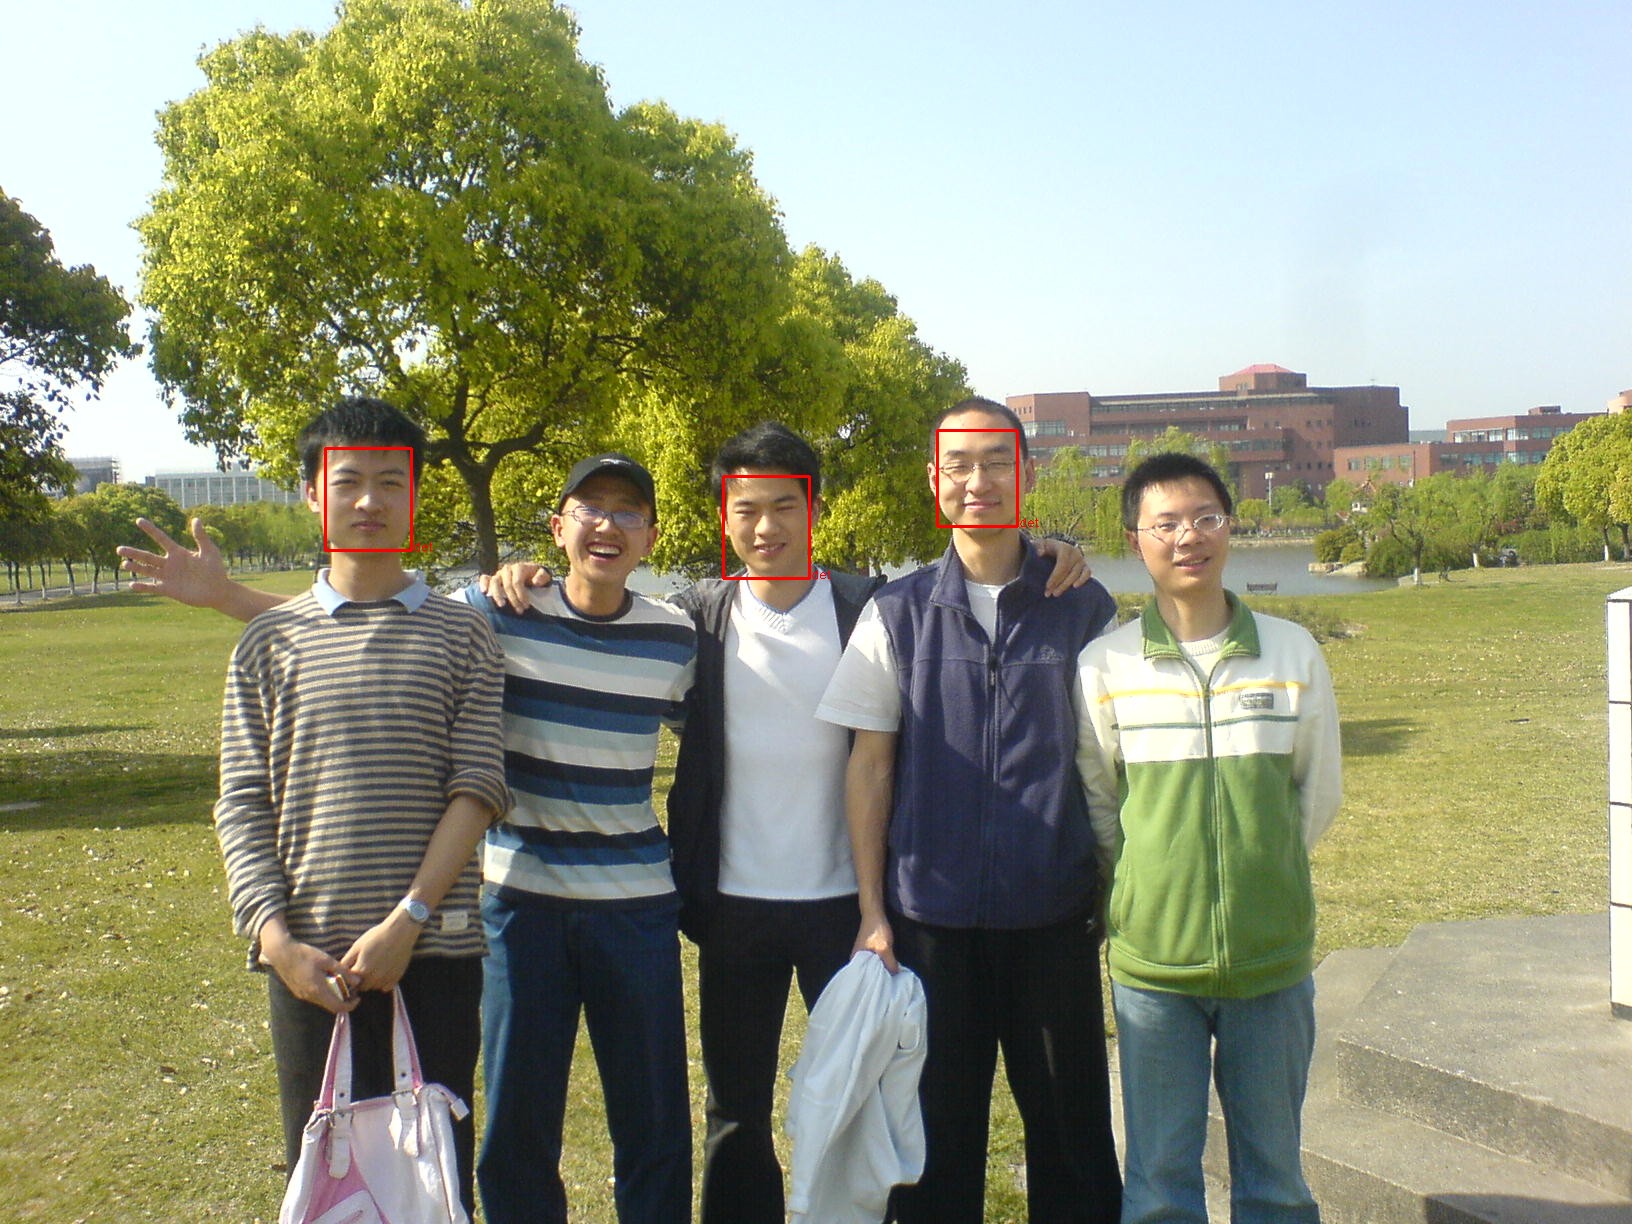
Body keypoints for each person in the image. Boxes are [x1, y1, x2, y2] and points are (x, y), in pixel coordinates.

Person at [480, 420, 1093, 1223]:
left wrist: (1051, 550)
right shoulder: (697, 620)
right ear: (723, 518)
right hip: (732, 905)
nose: (764, 527)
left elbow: (960, 602)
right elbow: (611, 620)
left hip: (847, 908)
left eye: (784, 506)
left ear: (815, 510)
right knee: (735, 1111)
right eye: (745, 509)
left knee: (864, 1096)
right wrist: (520, 571)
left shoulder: (865, 607)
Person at [121, 451, 697, 1224]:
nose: (608, 526)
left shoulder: (675, 638)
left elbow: (722, 735)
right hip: (522, 907)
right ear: (558, 527)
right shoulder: (495, 610)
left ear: (652, 537)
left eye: (629, 513)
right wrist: (227, 596)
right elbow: (362, 619)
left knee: (654, 1123)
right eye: (590, 508)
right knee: (518, 1129)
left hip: (636, 910)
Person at [815, 396, 1123, 1224]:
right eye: (958, 463)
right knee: (932, 1150)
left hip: (1052, 918)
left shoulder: (1081, 606)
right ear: (934, 479)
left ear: (1025, 474)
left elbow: (1109, 763)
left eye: (996, 462)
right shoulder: (898, 611)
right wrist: (873, 911)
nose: (977, 480)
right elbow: (869, 766)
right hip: (931, 926)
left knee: (1072, 1141)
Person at [211, 396, 509, 1216]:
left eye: (391, 482)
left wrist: (408, 919)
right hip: (309, 967)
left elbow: (477, 788)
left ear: (415, 496)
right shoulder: (268, 642)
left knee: (433, 1183)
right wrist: (276, 942)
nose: (370, 500)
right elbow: (242, 803)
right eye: (348, 481)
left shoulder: (462, 636)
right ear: (314, 493)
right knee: (328, 1181)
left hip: (436, 953)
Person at [1074, 452, 1342, 1224]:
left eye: (1205, 518)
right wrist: (1146, 881)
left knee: (1275, 1180)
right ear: (1135, 540)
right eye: (1166, 524)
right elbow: (1101, 804)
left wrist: (1265, 869)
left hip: (1271, 956)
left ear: (1230, 527)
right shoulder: (1105, 665)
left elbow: (1317, 793)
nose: (1188, 537)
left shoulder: (1291, 653)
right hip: (1154, 965)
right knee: (1159, 1182)